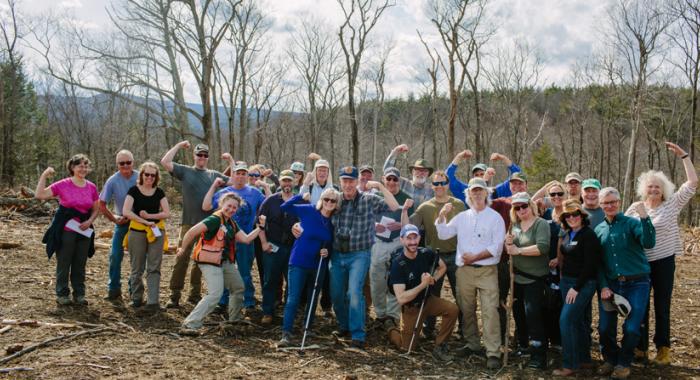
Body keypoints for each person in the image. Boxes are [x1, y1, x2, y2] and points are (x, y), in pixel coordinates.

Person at [625, 142, 697, 366]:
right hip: (640, 265)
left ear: (663, 189)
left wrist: (684, 156)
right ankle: (640, 348)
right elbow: (623, 233)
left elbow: (693, 183)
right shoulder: (635, 208)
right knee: (640, 306)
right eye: (650, 187)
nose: (654, 190)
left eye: (658, 187)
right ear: (643, 189)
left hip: (664, 262)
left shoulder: (671, 205)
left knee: (662, 305)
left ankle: (663, 349)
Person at [436, 178, 505, 370]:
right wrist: (442, 216)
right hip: (464, 271)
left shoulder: (495, 218)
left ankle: (492, 352)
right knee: (466, 309)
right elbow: (443, 234)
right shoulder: (462, 216)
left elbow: (497, 247)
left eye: (480, 190)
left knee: (490, 311)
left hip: (487, 271)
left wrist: (475, 257)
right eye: (473, 191)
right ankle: (473, 344)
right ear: (468, 194)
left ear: (486, 193)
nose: (477, 194)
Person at [328, 166, 400, 350]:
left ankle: (358, 334)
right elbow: (318, 214)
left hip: (359, 254)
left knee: (353, 293)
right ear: (340, 182)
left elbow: (393, 206)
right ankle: (344, 326)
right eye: (344, 181)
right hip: (337, 254)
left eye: (351, 181)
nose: (348, 185)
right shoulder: (334, 200)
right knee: (336, 294)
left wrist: (382, 187)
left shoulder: (369, 200)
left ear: (357, 182)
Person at [178, 192, 265, 334]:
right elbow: (192, 232)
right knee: (215, 294)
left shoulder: (231, 222)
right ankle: (190, 324)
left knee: (238, 287)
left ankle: (234, 320)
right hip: (209, 261)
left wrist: (260, 228)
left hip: (224, 261)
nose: (231, 209)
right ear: (222, 204)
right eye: (229, 206)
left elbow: (246, 239)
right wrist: (182, 247)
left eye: (234, 207)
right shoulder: (214, 219)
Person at [161, 141, 231, 308]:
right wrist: (178, 146)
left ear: (208, 158)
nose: (202, 158)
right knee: (181, 258)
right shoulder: (185, 171)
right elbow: (165, 162)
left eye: (205, 155)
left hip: (208, 225)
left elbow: (235, 180)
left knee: (201, 260)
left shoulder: (214, 175)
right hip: (188, 223)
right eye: (199, 154)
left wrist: (231, 161)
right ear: (194, 156)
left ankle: (194, 294)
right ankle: (175, 294)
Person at [595, 187, 655, 379]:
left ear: (619, 203)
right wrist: (603, 285)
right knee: (604, 328)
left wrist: (645, 218)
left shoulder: (632, 223)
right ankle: (610, 359)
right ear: (600, 205)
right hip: (611, 285)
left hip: (637, 283)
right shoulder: (599, 229)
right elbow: (599, 264)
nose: (610, 206)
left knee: (631, 327)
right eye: (606, 203)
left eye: (613, 202)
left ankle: (624, 363)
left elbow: (649, 242)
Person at [277, 187, 341, 347]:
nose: (329, 202)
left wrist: (328, 251)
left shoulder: (334, 221)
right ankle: (286, 332)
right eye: (326, 199)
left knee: (313, 296)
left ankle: (307, 327)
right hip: (299, 261)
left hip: (318, 264)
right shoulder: (309, 210)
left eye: (333, 200)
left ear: (336, 203)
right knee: (293, 298)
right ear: (321, 200)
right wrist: (299, 195)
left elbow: (333, 243)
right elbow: (284, 207)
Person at [405, 170, 466, 339]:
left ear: (447, 185)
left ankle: (464, 330)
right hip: (434, 257)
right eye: (436, 183)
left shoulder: (459, 204)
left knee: (460, 294)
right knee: (431, 293)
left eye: (442, 183)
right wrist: (402, 211)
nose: (439, 186)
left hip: (456, 255)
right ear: (432, 186)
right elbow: (410, 225)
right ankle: (428, 329)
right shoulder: (425, 207)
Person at [387, 224, 459, 361]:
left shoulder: (426, 253)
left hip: (428, 300)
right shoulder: (398, 264)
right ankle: (391, 329)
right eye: (409, 239)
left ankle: (440, 345)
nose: (413, 242)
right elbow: (401, 298)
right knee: (406, 348)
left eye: (415, 238)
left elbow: (442, 267)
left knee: (452, 309)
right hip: (411, 308)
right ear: (402, 240)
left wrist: (433, 279)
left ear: (419, 238)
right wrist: (422, 285)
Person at [37, 154, 99, 305]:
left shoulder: (91, 187)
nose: (83, 169)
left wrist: (89, 221)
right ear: (72, 167)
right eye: (80, 166)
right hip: (66, 229)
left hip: (84, 229)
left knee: (80, 263)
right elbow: (40, 194)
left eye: (85, 166)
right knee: (64, 262)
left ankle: (79, 294)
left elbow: (96, 208)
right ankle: (62, 294)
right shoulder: (63, 184)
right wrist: (45, 174)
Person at [203, 162, 265, 310]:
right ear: (233, 175)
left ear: (247, 176)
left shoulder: (255, 193)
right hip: (224, 240)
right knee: (224, 269)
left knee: (245, 272)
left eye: (244, 173)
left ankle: (248, 300)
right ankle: (223, 300)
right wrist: (213, 186)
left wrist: (268, 188)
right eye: (238, 173)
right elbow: (206, 207)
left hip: (246, 239)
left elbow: (267, 206)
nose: (241, 176)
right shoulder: (225, 193)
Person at [552, 199, 602, 376]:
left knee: (566, 321)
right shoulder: (568, 234)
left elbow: (590, 265)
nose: (572, 218)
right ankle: (584, 359)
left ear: (582, 216)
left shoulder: (588, 235)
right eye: (568, 215)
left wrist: (577, 287)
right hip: (567, 282)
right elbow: (565, 257)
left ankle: (570, 365)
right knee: (578, 321)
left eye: (575, 214)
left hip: (582, 284)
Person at [505, 192, 551, 369]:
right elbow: (510, 249)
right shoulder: (514, 226)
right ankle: (524, 347)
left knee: (534, 315)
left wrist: (518, 251)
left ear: (531, 206)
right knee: (519, 313)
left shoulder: (540, 224)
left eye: (524, 206)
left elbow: (543, 247)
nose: (521, 210)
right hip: (517, 278)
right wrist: (507, 244)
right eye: (517, 207)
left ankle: (539, 355)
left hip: (535, 279)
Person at [121, 162, 170, 311]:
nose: (149, 177)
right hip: (137, 231)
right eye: (146, 174)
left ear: (156, 177)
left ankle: (153, 302)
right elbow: (126, 211)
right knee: (137, 267)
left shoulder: (159, 192)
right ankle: (136, 298)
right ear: (141, 175)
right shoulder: (134, 190)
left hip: (156, 231)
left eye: (152, 175)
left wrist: (150, 216)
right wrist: (144, 221)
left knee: (154, 267)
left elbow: (166, 213)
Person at [370, 167, 415, 328]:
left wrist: (400, 225)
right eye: (388, 179)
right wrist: (376, 226)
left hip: (397, 241)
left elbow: (410, 226)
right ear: (383, 180)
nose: (391, 182)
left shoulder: (407, 199)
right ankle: (380, 314)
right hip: (379, 241)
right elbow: (366, 219)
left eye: (395, 179)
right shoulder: (375, 196)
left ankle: (393, 315)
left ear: (399, 181)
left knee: (395, 279)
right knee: (376, 280)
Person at [257, 170, 299, 325]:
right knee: (270, 280)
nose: (287, 184)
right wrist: (263, 243)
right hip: (273, 246)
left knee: (292, 282)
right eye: (284, 181)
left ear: (293, 183)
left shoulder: (298, 201)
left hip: (293, 248)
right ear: (279, 182)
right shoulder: (270, 201)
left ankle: (289, 312)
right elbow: (259, 224)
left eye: (289, 181)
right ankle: (267, 311)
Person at [99, 150, 139, 301]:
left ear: (133, 163)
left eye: (128, 162)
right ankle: (114, 288)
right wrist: (114, 219)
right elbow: (101, 204)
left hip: (139, 222)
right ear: (117, 165)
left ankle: (134, 289)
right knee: (115, 255)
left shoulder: (141, 176)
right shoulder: (113, 180)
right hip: (122, 221)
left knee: (138, 258)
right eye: (122, 163)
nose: (125, 166)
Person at [446, 150, 522, 203]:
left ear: (489, 175)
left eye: (482, 174)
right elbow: (448, 178)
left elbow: (518, 175)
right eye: (476, 175)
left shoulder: (497, 192)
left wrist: (503, 158)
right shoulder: (466, 191)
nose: (479, 177)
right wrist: (459, 156)